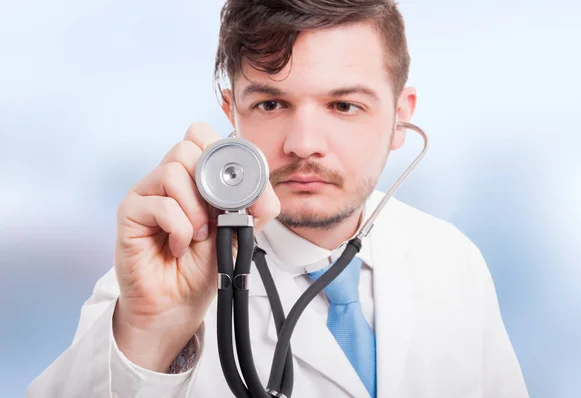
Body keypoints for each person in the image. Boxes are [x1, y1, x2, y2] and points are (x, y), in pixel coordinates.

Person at [27, 1, 529, 397]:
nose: (303, 142)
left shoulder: (453, 261)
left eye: (344, 105)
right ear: (232, 112)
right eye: (271, 103)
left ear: (401, 116)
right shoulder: (154, 283)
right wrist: (152, 334)